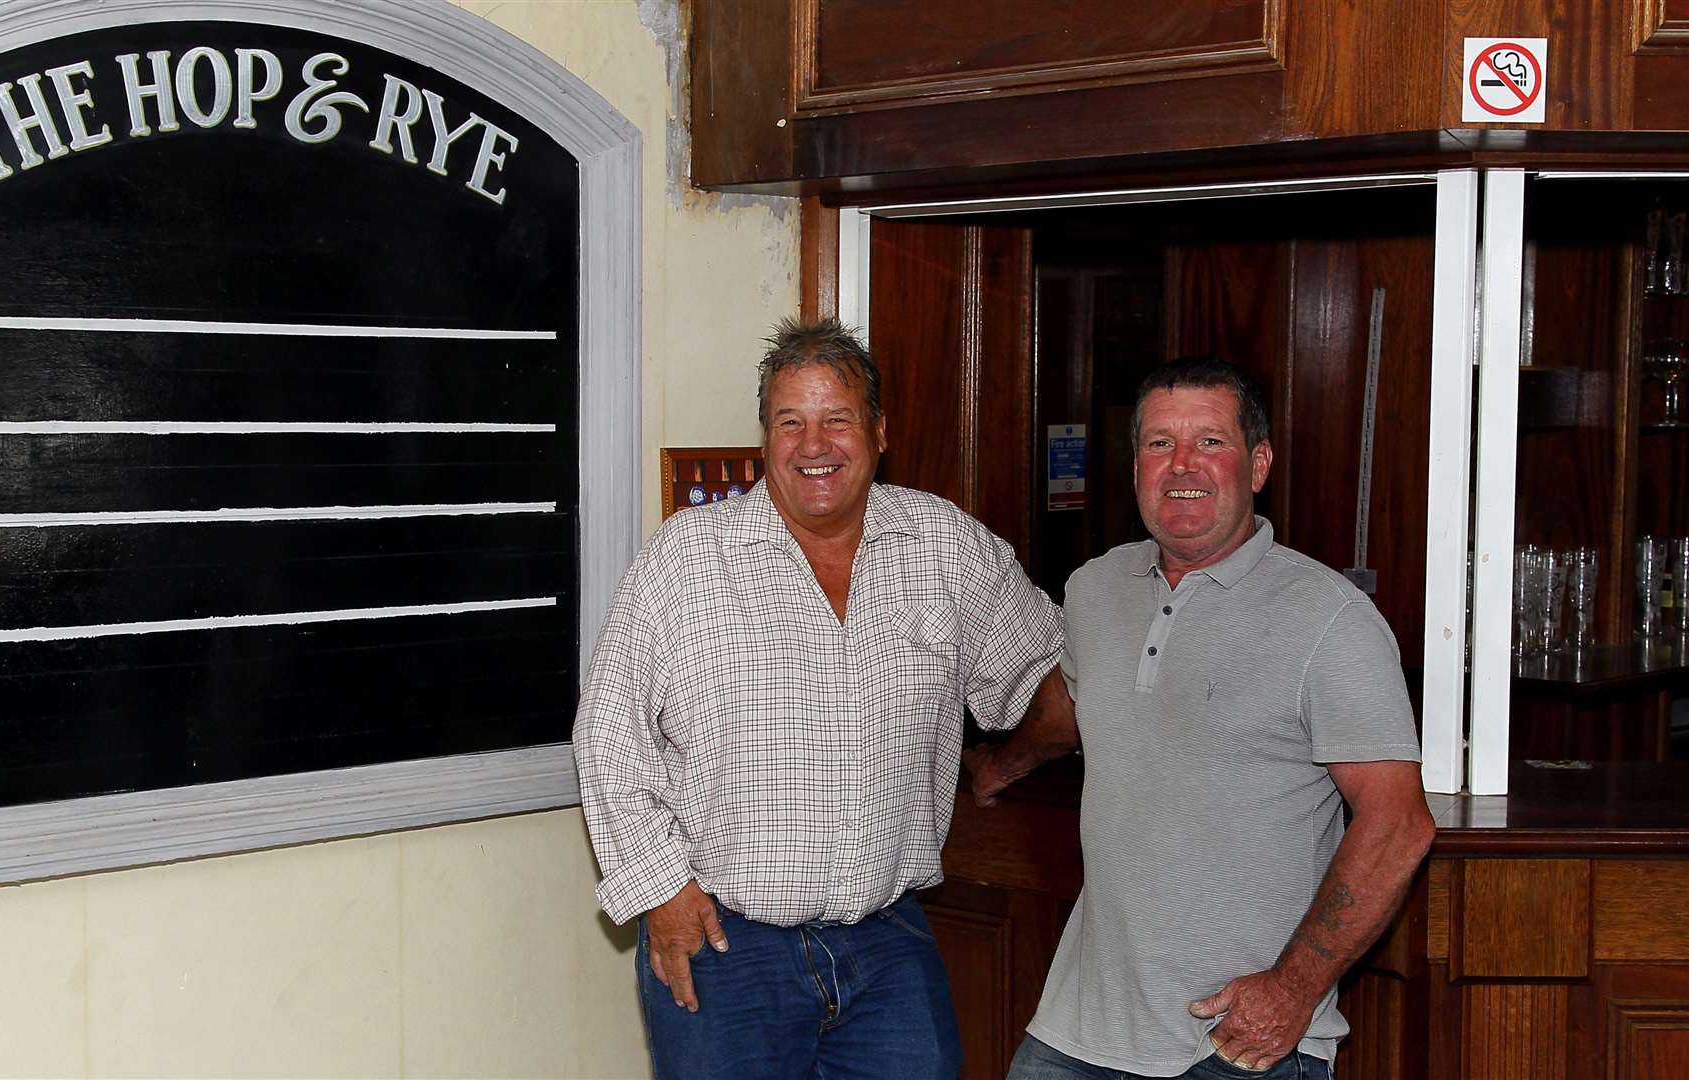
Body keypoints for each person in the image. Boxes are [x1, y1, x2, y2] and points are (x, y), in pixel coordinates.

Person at [573, 317, 1071, 1080]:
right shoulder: (684, 561)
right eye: (790, 422)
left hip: (888, 946)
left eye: (836, 419)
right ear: (764, 437)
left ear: (878, 431)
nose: (814, 445)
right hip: (723, 948)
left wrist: (1009, 761)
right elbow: (608, 736)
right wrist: (659, 891)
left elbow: (1050, 673)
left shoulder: (945, 548)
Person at [966, 357, 1437, 1080]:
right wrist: (999, 766)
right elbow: (1073, 706)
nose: (1181, 464)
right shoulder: (1094, 590)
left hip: (1236, 1040)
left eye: (1209, 442)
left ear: (1257, 465)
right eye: (1159, 443)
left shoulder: (1329, 619)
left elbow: (1397, 823)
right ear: (1134, 468)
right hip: (1077, 1031)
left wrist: (1293, 991)